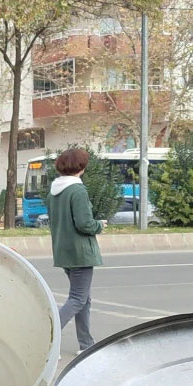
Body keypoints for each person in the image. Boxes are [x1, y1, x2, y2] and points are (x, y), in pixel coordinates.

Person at [47, 148, 106, 354]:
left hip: (64, 251)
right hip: (80, 252)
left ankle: (86, 344)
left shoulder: (55, 191)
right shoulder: (77, 190)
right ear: (81, 167)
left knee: (83, 298)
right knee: (78, 299)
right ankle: (49, 336)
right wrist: (99, 225)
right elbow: (84, 224)